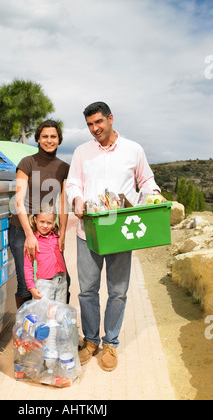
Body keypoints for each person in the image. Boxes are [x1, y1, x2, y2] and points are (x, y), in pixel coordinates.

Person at [65, 102, 164, 371]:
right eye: (89, 125)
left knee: (118, 292)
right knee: (87, 291)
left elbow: (145, 181)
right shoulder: (81, 152)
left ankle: (111, 343)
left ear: (110, 119)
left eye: (99, 122)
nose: (95, 128)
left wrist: (154, 195)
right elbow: (73, 182)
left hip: (121, 232)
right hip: (90, 231)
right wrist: (75, 198)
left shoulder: (134, 149)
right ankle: (91, 341)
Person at [9, 120, 70, 309]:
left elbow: (63, 203)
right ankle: (25, 331)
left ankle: (56, 328)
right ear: (38, 138)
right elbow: (19, 200)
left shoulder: (64, 168)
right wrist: (29, 234)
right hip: (22, 230)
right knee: (27, 286)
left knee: (63, 281)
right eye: (45, 136)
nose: (49, 140)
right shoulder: (27, 163)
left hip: (48, 232)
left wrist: (63, 235)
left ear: (59, 139)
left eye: (53, 136)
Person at [24, 206, 67, 303]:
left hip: (61, 282)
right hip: (44, 284)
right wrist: (31, 287)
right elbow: (28, 266)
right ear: (35, 219)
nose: (45, 226)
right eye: (42, 221)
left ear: (54, 222)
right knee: (44, 314)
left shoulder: (57, 238)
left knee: (58, 313)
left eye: (49, 223)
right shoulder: (32, 242)